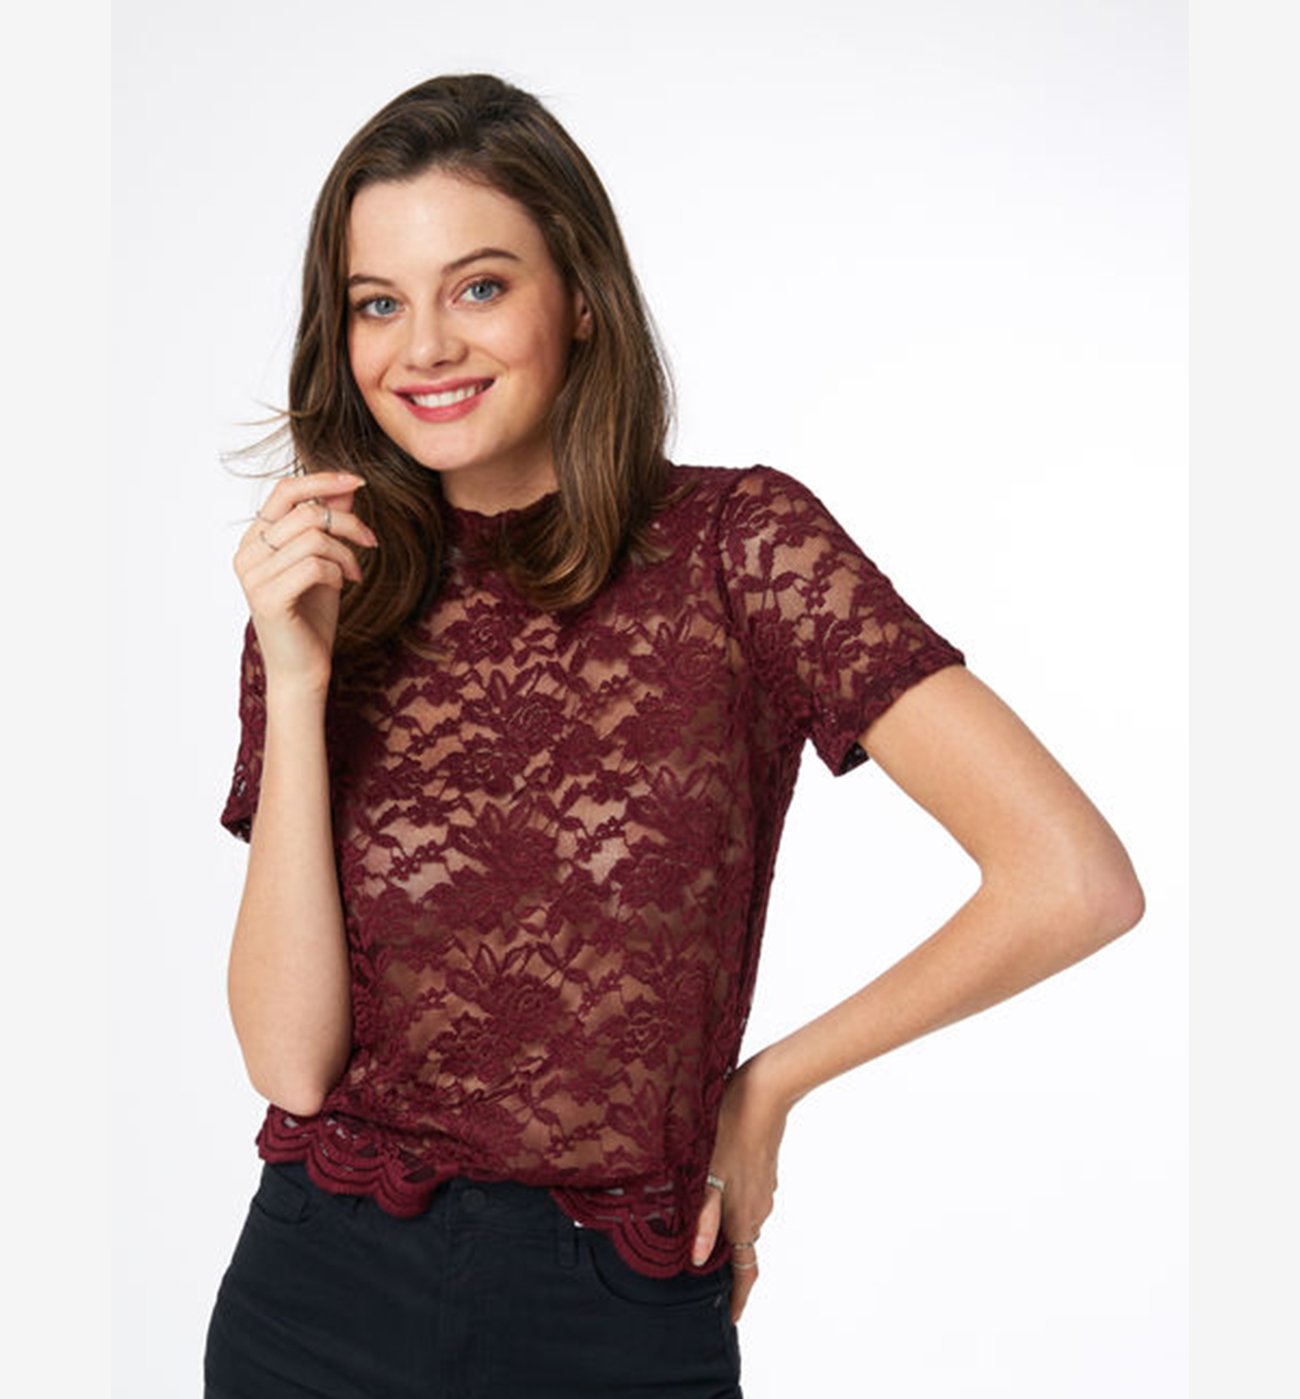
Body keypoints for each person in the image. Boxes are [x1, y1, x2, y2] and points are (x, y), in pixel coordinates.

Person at [204, 73, 1144, 1399]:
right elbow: (290, 1063)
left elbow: (1073, 880)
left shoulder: (740, 548)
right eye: (378, 303)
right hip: (314, 1302)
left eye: (479, 287)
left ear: (579, 298)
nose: (425, 348)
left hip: (616, 1313)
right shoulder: (323, 589)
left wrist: (766, 1092)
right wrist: (299, 680)